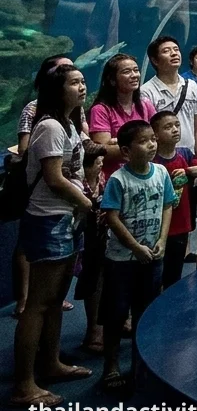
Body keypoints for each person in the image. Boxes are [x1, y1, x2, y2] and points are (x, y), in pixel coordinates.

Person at [9, 65, 94, 408]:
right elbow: (55, 177)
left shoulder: (70, 125)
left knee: (56, 299)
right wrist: (85, 201)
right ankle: (24, 384)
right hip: (48, 220)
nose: (82, 87)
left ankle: (51, 362)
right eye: (74, 82)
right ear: (56, 90)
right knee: (37, 305)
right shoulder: (49, 126)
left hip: (65, 219)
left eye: (83, 81)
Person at [99, 119, 175, 394]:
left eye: (153, 139)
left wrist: (162, 241)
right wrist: (134, 247)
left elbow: (168, 205)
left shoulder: (162, 173)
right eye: (144, 141)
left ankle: (141, 364)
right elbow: (112, 217)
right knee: (116, 313)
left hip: (153, 256)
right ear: (126, 151)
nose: (152, 145)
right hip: (121, 259)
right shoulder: (118, 179)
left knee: (146, 311)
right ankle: (111, 365)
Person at [13, 55, 81, 318]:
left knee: (53, 296)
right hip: (46, 209)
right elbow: (27, 150)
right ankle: (24, 297)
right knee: (40, 298)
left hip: (66, 210)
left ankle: (50, 356)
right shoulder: (39, 113)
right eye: (65, 71)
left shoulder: (71, 117)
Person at [140, 36, 197, 264]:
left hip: (187, 159)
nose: (174, 53)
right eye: (167, 51)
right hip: (161, 162)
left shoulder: (190, 87)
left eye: (176, 49)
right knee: (162, 214)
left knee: (185, 215)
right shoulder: (147, 91)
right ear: (154, 60)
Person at [151, 110, 197, 288]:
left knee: (174, 274)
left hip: (181, 225)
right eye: (168, 127)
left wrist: (188, 171)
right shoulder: (152, 160)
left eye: (177, 125)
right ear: (156, 135)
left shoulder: (185, 154)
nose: (175, 129)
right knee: (153, 275)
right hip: (156, 227)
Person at [88, 54, 156, 181]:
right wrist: (141, 147)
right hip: (115, 178)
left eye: (136, 70)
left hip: (144, 176)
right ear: (112, 80)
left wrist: (119, 143)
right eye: (126, 71)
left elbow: (158, 136)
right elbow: (103, 151)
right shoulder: (101, 110)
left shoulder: (145, 104)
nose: (134, 75)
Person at [73, 143, 108, 354]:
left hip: (101, 240)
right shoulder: (78, 186)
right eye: (98, 162)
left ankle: (100, 327)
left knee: (102, 281)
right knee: (91, 283)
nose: (101, 165)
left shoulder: (102, 180)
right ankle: (93, 330)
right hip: (83, 243)